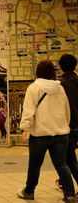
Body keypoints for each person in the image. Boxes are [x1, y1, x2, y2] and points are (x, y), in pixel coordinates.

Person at [18, 60, 77, 202]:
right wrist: (65, 127)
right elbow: (66, 111)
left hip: (40, 135)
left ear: (38, 72)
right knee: (61, 164)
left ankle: (29, 192)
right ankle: (69, 195)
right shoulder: (60, 88)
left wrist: (25, 129)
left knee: (35, 165)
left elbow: (28, 111)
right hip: (61, 134)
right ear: (53, 72)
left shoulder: (33, 88)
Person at [57, 54, 78, 190]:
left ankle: (66, 186)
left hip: (67, 126)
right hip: (76, 126)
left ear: (60, 67)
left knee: (68, 159)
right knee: (68, 158)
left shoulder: (60, 84)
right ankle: (64, 183)